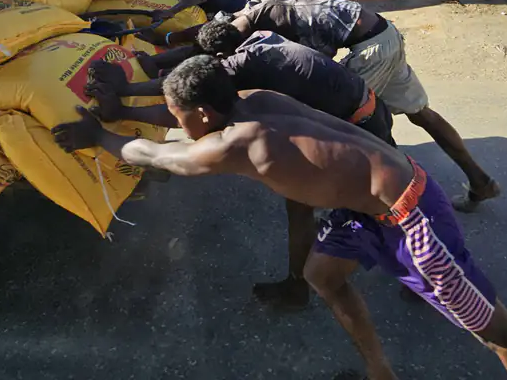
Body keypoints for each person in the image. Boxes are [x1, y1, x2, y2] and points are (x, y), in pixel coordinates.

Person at [53, 57, 507, 380]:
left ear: (202, 115)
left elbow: (161, 156)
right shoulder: (256, 102)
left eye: (179, 115)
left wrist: (98, 136)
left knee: (497, 335)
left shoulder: (238, 144)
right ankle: (380, 372)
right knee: (323, 275)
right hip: (367, 206)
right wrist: (122, 107)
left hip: (410, 216)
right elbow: (179, 120)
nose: (175, 122)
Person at [85, 26, 395, 309]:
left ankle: (416, 266)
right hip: (360, 119)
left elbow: (169, 137)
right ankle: (303, 285)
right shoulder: (249, 86)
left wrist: (107, 120)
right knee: (316, 219)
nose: (181, 123)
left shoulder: (240, 107)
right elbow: (186, 107)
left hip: (362, 123)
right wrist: (124, 104)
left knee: (382, 216)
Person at [198, 0, 500, 212]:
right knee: (420, 113)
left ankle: (406, 207)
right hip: (385, 33)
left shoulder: (276, 21)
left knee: (358, 125)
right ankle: (479, 180)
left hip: (371, 50)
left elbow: (319, 72)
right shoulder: (260, 6)